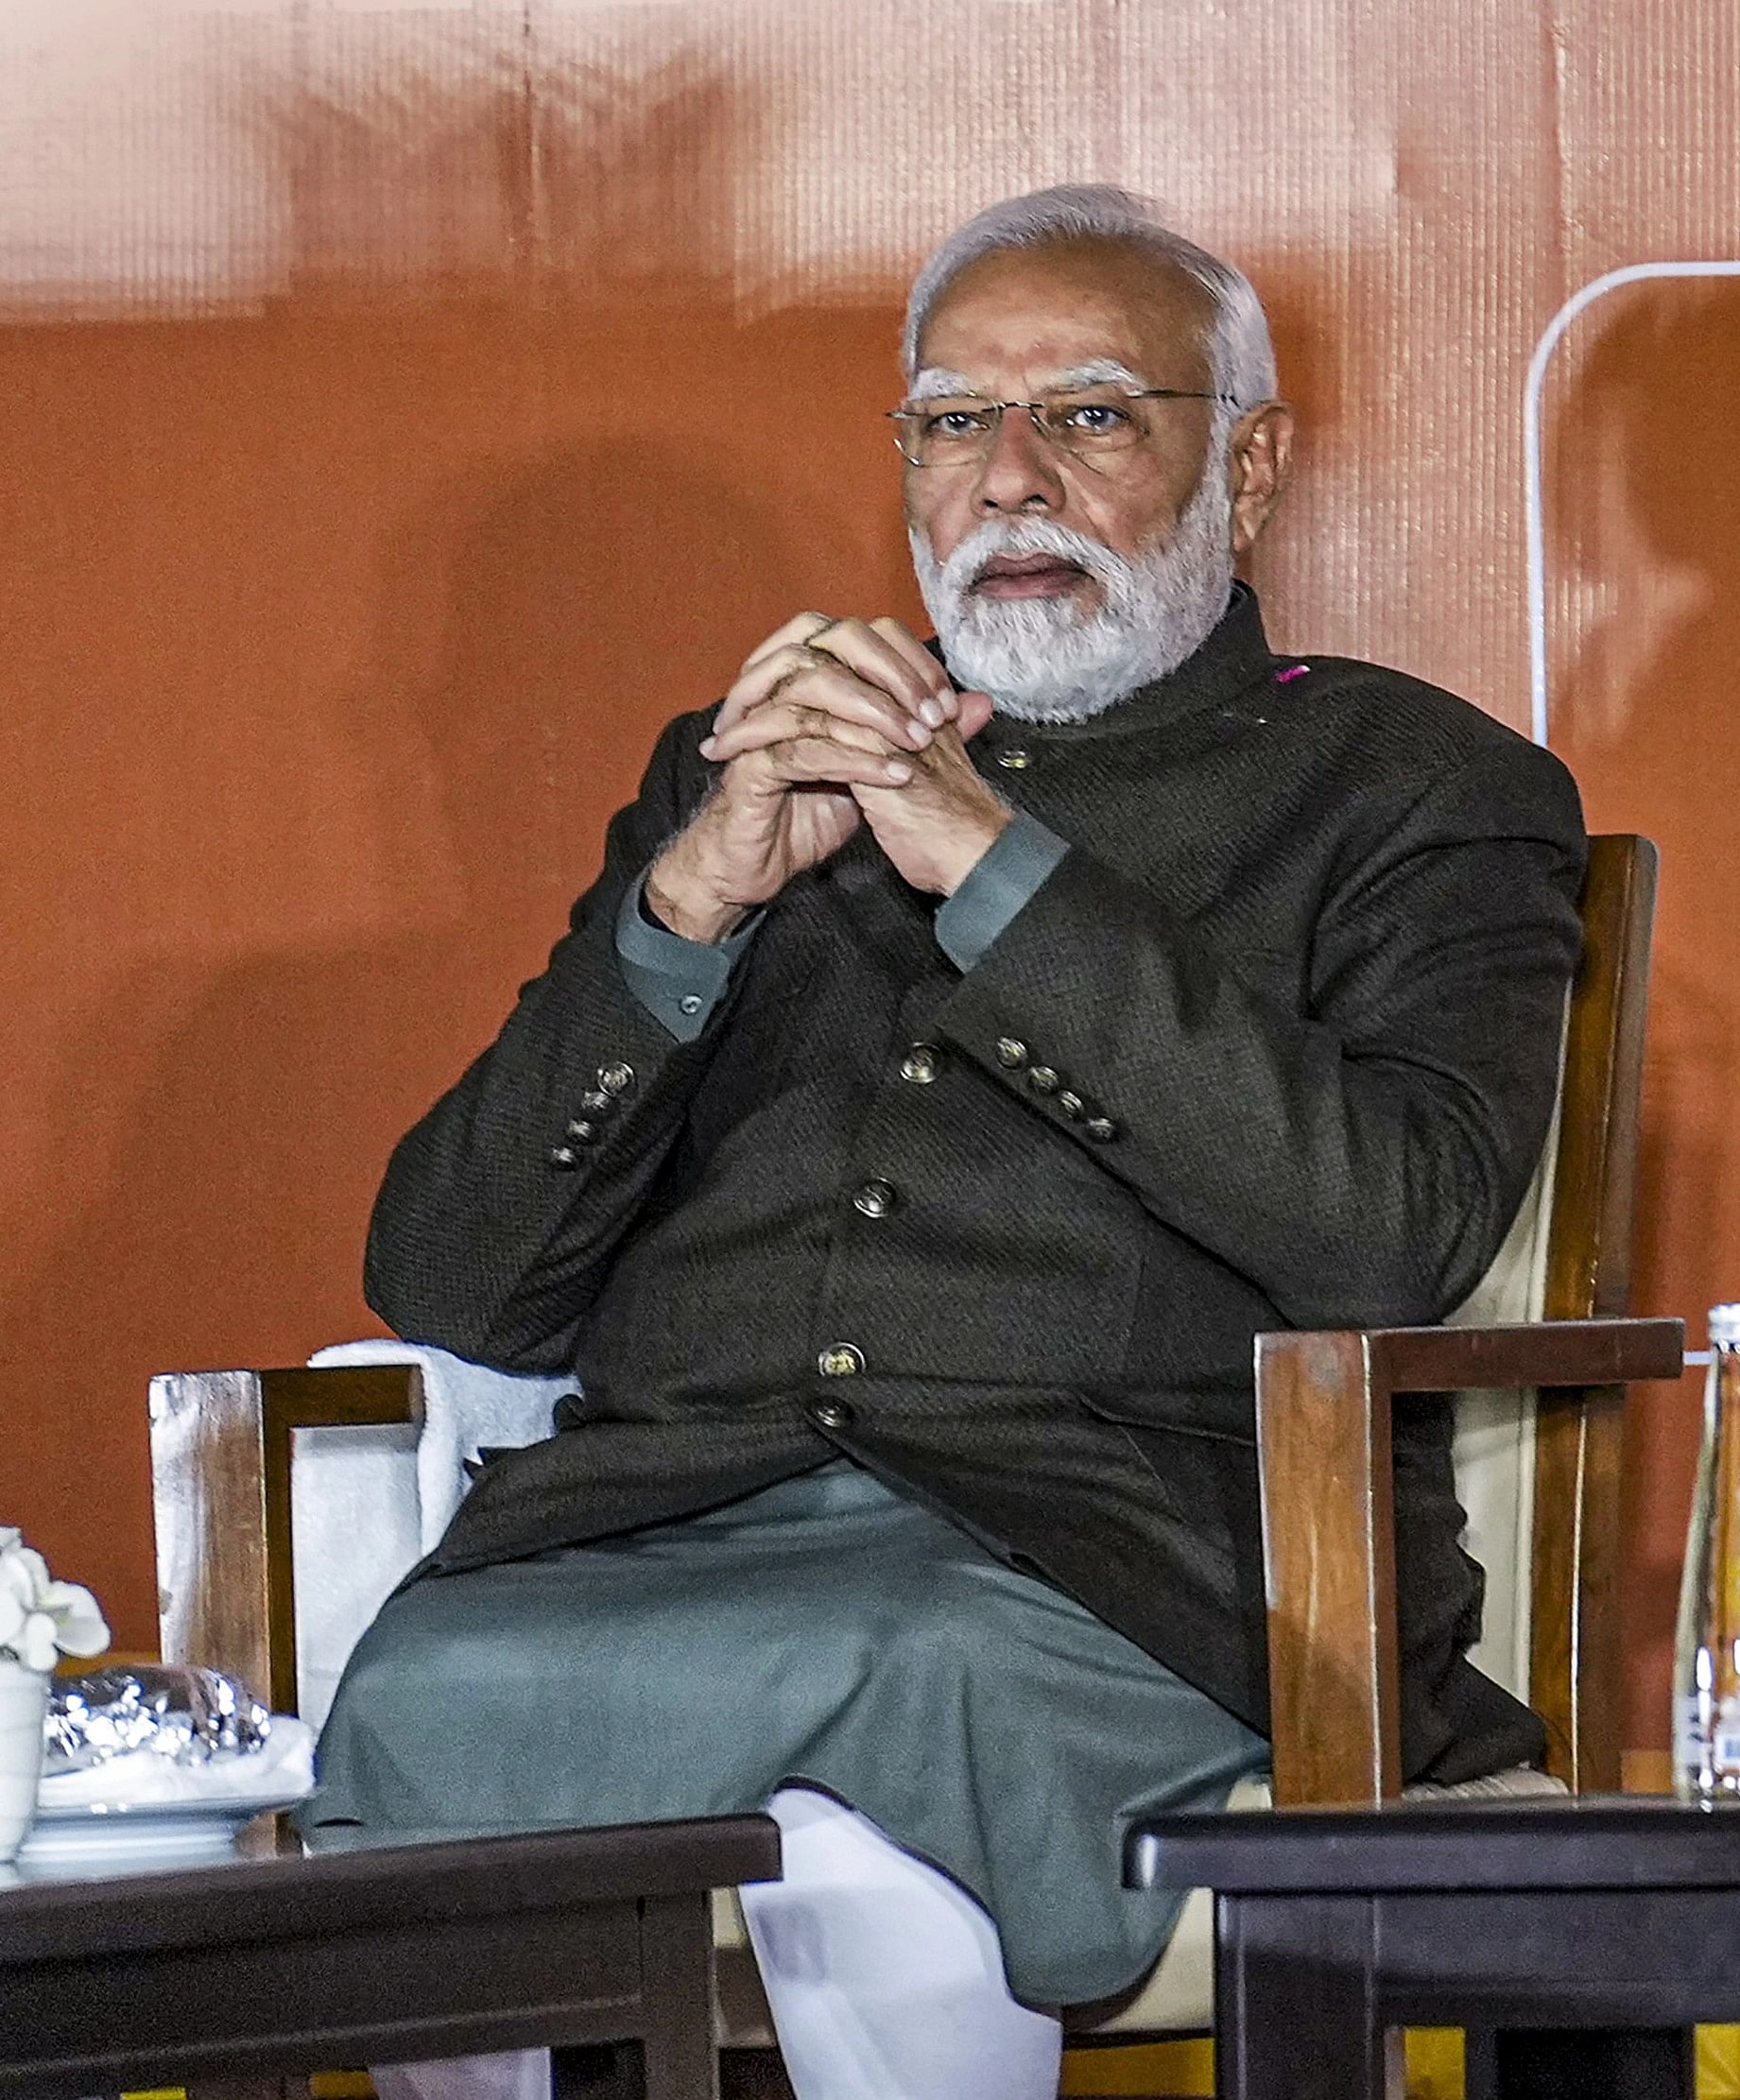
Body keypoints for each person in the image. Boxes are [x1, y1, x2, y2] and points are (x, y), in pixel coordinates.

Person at [303, 183, 1586, 2100]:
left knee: (888, 1725)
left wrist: (988, 860)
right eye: (946, 421)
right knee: (430, 1683)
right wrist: (689, 903)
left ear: (1244, 466)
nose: (1004, 480)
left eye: (1084, 413)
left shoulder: (1414, 787)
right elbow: (453, 1280)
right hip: (668, 1536)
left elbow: (1389, 1233)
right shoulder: (738, 764)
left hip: (1116, 1570)